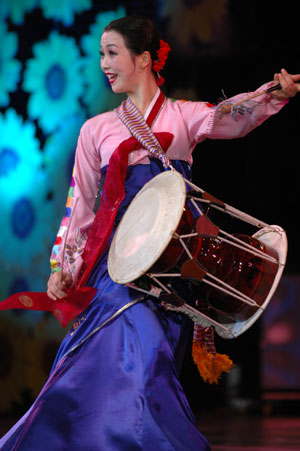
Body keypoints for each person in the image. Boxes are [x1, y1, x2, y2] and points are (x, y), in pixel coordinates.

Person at [1, 15, 299, 451]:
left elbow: (234, 115)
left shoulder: (183, 117)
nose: (103, 62)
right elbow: (79, 206)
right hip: (115, 269)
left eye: (112, 53)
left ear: (143, 59)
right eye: (101, 53)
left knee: (147, 365)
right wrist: (61, 267)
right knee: (93, 366)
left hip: (172, 269)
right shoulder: (95, 130)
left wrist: (275, 95)